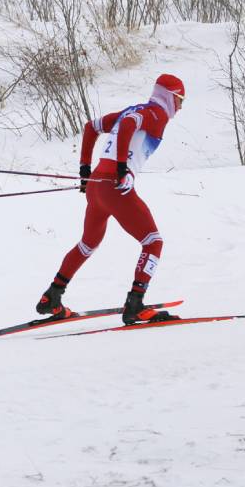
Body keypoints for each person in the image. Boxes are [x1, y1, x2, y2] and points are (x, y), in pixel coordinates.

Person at [35, 74, 185, 325]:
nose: (180, 108)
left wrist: (85, 171)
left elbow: (91, 127)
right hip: (115, 188)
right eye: (180, 100)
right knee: (153, 242)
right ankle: (135, 304)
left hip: (97, 185)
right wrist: (122, 170)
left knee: (88, 244)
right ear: (169, 96)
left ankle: (52, 296)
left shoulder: (137, 109)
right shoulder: (156, 115)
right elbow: (128, 124)